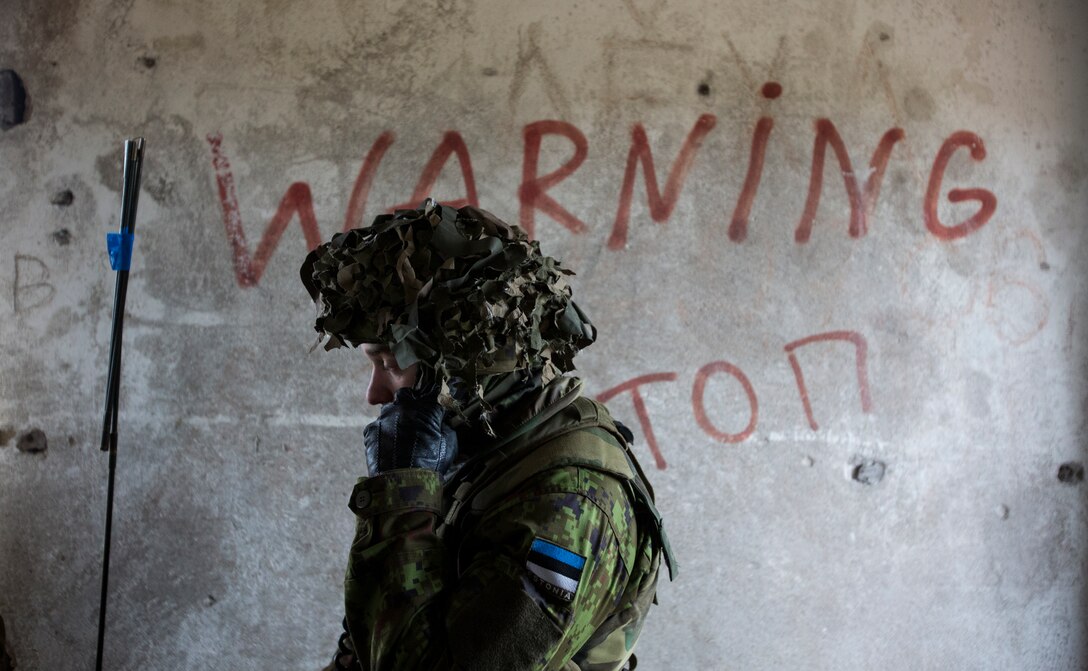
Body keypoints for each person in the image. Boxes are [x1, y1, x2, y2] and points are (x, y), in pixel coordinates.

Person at [300, 200, 675, 671]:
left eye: (390, 365)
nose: (376, 393)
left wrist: (400, 499)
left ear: (464, 362)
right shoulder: (489, 451)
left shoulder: (569, 506)